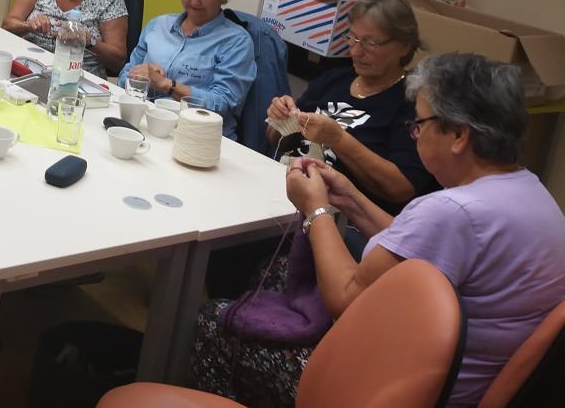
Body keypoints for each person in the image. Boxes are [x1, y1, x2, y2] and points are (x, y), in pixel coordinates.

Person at [193, 52, 565, 407]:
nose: (415, 135)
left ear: (459, 136)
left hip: (398, 392)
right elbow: (413, 248)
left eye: (419, 125)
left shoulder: (451, 212)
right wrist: (350, 198)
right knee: (275, 272)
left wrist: (315, 209)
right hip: (457, 377)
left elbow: (345, 299)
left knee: (215, 321)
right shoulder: (531, 192)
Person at [267, 0, 437, 216]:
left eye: (370, 43)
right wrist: (281, 119)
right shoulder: (334, 79)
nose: (356, 52)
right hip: (285, 191)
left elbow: (401, 188)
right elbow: (275, 140)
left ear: (404, 46)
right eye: (353, 39)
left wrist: (338, 139)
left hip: (344, 218)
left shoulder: (413, 102)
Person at [118, 0, 255, 138]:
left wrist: (168, 85)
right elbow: (124, 76)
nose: (194, 1)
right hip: (145, 124)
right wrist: (140, 77)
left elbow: (222, 103)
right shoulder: (158, 25)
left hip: (195, 136)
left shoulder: (236, 42)